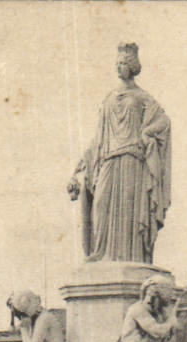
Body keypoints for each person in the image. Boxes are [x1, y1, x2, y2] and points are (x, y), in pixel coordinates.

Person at [67, 43, 172, 264]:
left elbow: (163, 121)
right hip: (108, 160)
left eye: (123, 63)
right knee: (101, 204)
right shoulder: (108, 98)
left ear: (132, 67)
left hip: (132, 161)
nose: (119, 68)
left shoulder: (143, 97)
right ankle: (100, 253)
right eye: (117, 63)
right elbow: (98, 137)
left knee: (128, 214)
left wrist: (146, 132)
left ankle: (130, 256)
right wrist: (79, 167)